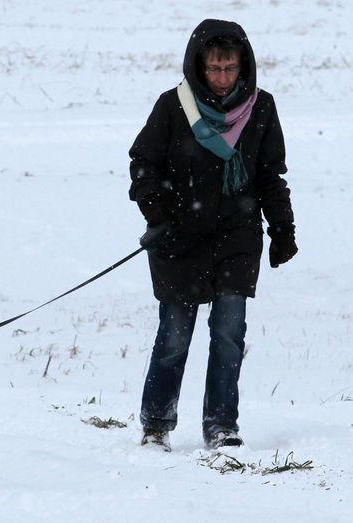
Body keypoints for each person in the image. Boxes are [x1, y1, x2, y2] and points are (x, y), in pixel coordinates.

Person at [128, 19, 297, 451]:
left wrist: (281, 228)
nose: (223, 78)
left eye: (231, 68)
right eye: (214, 69)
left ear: (245, 66)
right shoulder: (173, 106)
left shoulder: (262, 107)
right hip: (179, 238)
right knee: (175, 336)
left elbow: (269, 175)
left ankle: (221, 424)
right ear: (198, 66)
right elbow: (143, 165)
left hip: (238, 236)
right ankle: (156, 424)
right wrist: (157, 208)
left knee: (228, 333)